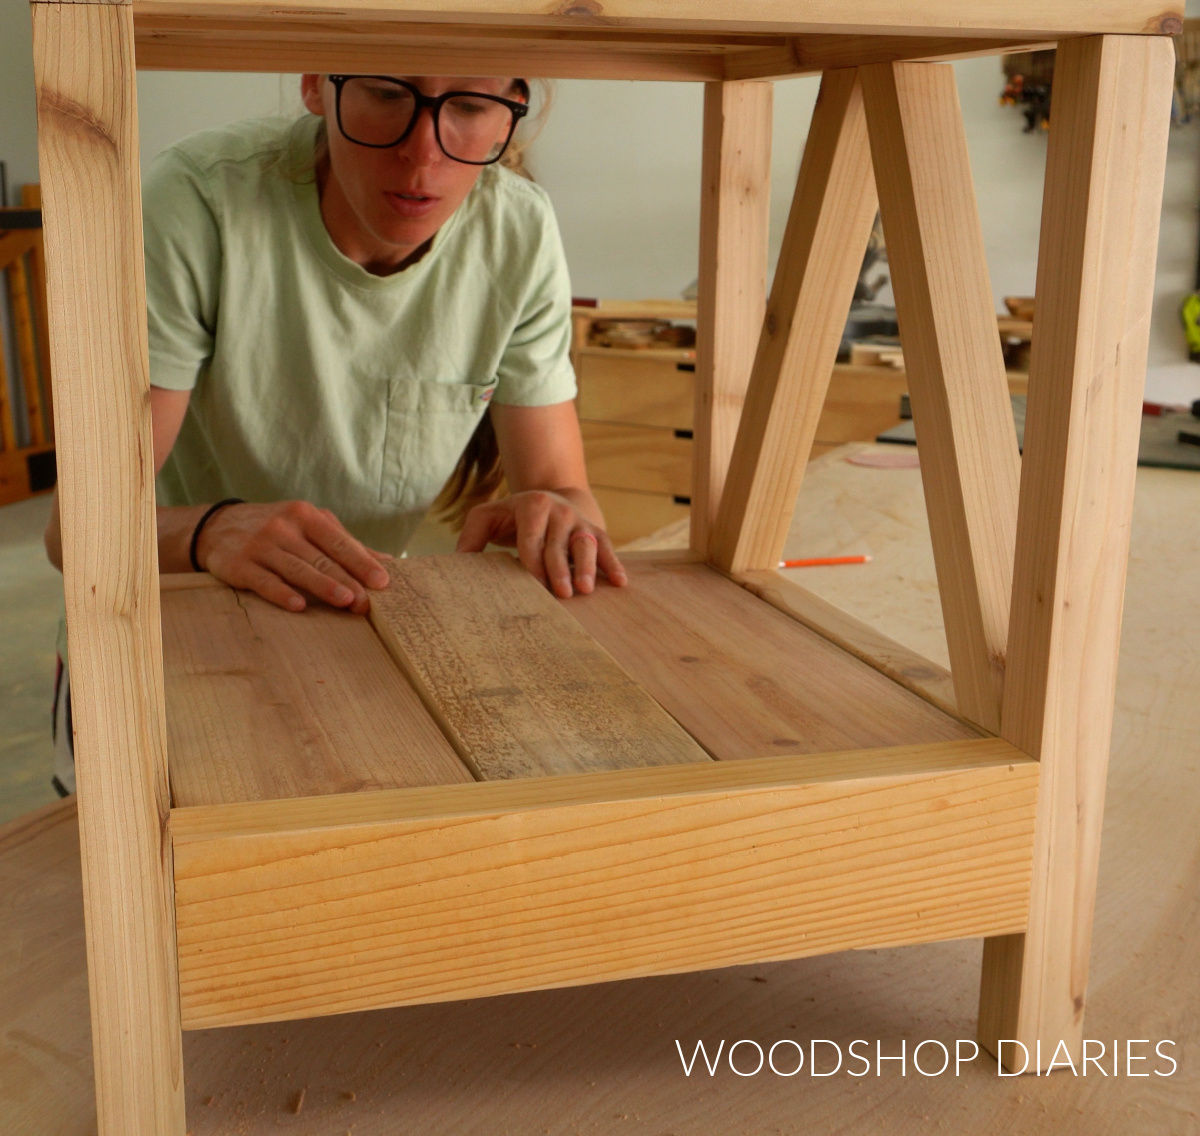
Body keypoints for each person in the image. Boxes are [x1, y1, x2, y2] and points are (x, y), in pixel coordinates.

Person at [44, 72, 627, 794]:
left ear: (510, 115)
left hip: (364, 647)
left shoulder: (519, 229)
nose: (423, 156)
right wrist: (206, 533)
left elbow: (569, 494)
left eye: (471, 108)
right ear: (317, 85)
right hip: (165, 633)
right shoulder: (197, 200)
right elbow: (74, 535)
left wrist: (562, 518)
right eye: (387, 94)